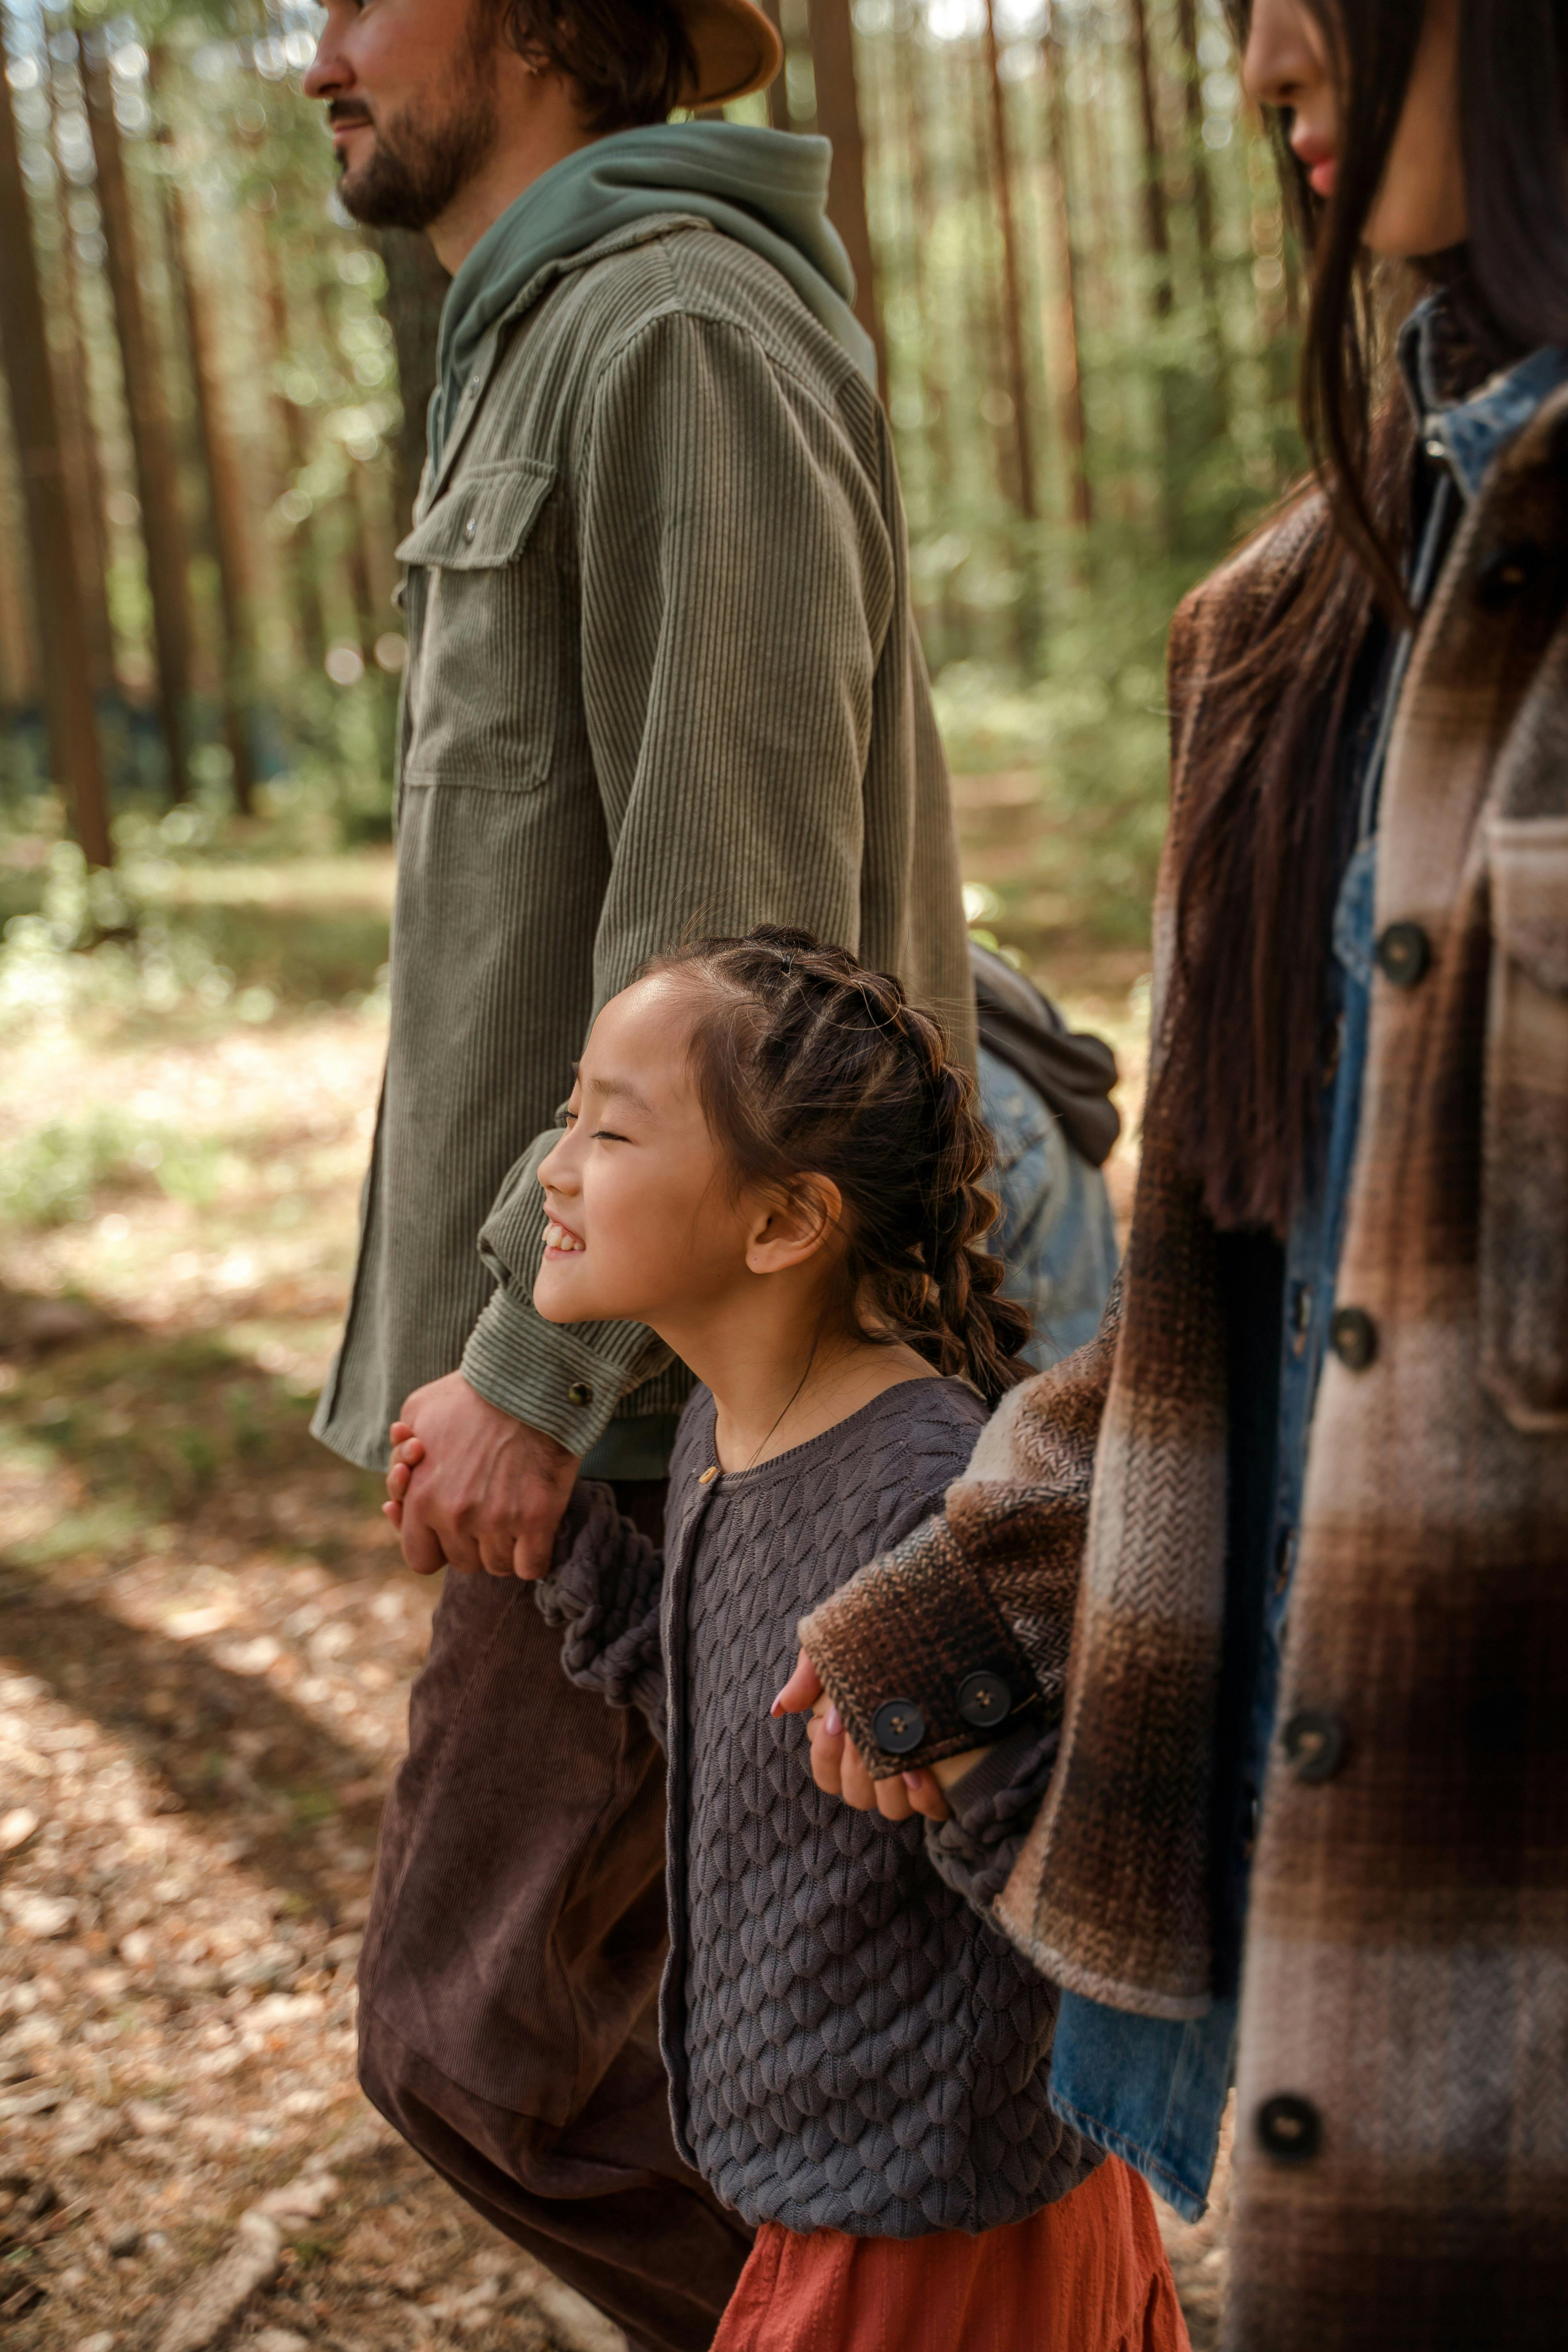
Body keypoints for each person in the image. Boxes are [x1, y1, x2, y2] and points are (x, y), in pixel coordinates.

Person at [298, 2, 1117, 2344]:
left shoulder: (667, 325)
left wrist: (534, 1390)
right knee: (679, 2017)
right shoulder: (553, 327)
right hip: (636, 1344)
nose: (316, 51)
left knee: (491, 2046)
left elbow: (739, 907)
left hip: (685, 1373)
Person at [773, 0, 1568, 2344]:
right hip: (1380, 2073)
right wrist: (976, 1593)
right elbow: (1276, 1301)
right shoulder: (1301, 627)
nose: (1253, 64)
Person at [387, 929, 1186, 2352]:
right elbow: (730, 1716)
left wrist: (957, 1785)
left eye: (610, 1131)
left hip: (944, 2226)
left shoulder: (920, 1495)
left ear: (780, 1225)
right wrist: (571, 1551)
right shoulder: (723, 1425)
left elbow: (1081, 1870)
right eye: (570, 1114)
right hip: (826, 2189)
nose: (555, 1169)